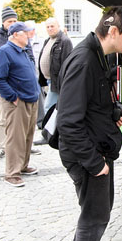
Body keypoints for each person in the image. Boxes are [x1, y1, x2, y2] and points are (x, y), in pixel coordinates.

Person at [58, 7, 122, 241]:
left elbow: (92, 106)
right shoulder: (84, 61)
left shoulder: (98, 56)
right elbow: (67, 121)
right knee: (96, 214)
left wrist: (114, 114)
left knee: (97, 208)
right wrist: (94, 163)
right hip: (87, 155)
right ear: (113, 31)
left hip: (96, 148)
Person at [0, 7, 40, 161]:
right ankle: (2, 147)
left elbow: (30, 59)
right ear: (4, 22)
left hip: (24, 92)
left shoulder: (23, 40)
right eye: (10, 21)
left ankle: (23, 154)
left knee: (23, 126)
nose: (13, 23)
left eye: (15, 20)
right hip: (7, 90)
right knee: (4, 119)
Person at [0, 22, 41, 187]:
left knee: (27, 136)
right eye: (25, 33)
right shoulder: (4, 51)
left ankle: (23, 165)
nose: (29, 35)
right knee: (15, 138)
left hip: (31, 99)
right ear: (15, 35)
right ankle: (12, 173)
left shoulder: (24, 51)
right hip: (17, 102)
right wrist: (12, 96)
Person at [34, 17, 73, 145]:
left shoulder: (64, 41)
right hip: (48, 81)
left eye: (52, 26)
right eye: (48, 27)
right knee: (53, 109)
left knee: (49, 108)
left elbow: (67, 63)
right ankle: (54, 134)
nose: (50, 29)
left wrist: (64, 83)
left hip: (57, 82)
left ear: (58, 26)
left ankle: (49, 135)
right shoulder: (48, 40)